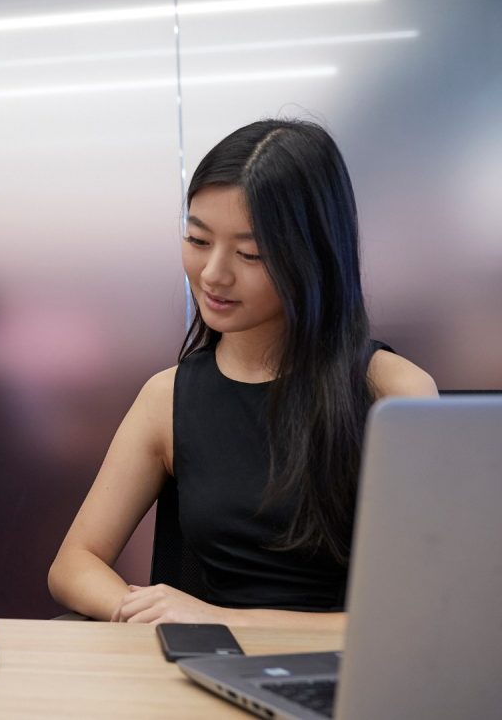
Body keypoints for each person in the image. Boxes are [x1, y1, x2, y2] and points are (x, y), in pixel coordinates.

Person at [48, 119, 436, 627]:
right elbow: (74, 564)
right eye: (198, 240)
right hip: (207, 676)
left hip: (344, 684)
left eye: (249, 253)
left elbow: (415, 615)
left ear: (311, 256)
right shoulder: (167, 397)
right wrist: (137, 609)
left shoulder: (394, 394)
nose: (213, 274)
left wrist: (220, 619)